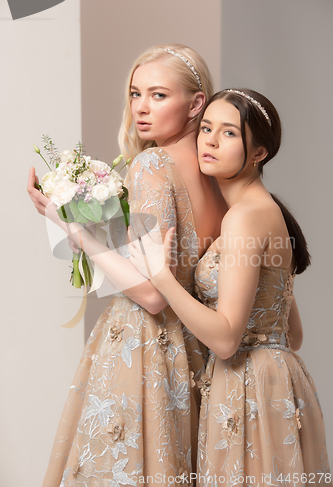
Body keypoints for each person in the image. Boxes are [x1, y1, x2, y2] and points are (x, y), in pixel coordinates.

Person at [27, 44, 227, 486]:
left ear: (196, 104)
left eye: (158, 95)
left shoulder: (153, 164)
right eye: (135, 94)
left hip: (144, 347)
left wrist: (72, 230)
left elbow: (152, 293)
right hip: (194, 348)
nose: (140, 108)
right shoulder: (219, 174)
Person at [128, 89, 332, 482]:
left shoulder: (245, 218)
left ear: (259, 153)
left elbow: (225, 340)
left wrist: (161, 278)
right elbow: (293, 333)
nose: (210, 140)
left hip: (248, 385)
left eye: (229, 133)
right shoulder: (262, 210)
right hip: (274, 379)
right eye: (206, 128)